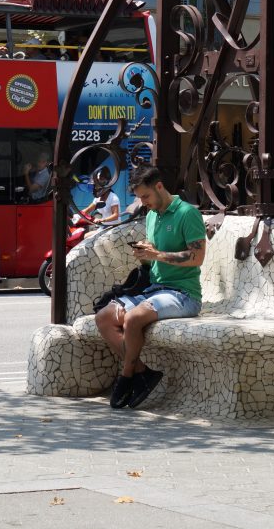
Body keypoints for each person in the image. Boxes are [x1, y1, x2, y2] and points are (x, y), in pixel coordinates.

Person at [95, 165, 206, 409]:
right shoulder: (152, 215)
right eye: (139, 198)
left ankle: (126, 376)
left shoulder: (187, 213)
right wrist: (145, 255)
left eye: (145, 196)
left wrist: (157, 255)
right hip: (155, 290)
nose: (143, 202)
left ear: (159, 187)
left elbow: (197, 257)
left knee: (133, 319)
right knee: (104, 317)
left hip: (183, 294)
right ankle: (143, 373)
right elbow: (154, 257)